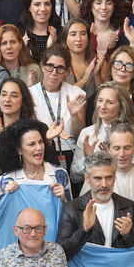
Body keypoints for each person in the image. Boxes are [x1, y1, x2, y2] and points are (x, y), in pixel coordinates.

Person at [57, 151, 134, 260]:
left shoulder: (130, 207)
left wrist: (128, 235)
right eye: (97, 178)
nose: (104, 184)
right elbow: (61, 253)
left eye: (108, 177)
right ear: (87, 178)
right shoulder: (71, 209)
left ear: (115, 177)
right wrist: (83, 230)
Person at [70, 81, 134, 183]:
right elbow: (74, 177)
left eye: (109, 102)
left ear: (121, 106)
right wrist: (87, 158)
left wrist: (111, 160)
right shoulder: (86, 133)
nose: (102, 106)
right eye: (100, 100)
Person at [29, 44, 86, 172]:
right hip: (42, 152)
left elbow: (78, 135)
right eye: (50, 66)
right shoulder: (30, 94)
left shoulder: (76, 93)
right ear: (42, 66)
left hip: (71, 153)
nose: (54, 73)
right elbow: (30, 134)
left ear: (67, 71)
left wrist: (74, 115)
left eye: (60, 68)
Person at [80, 120, 134, 204]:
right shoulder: (93, 181)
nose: (122, 154)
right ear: (108, 149)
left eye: (127, 148)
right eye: (117, 148)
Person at [0, 117, 70, 201]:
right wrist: (7, 198)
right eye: (31, 144)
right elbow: (2, 213)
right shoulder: (6, 180)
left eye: (40, 142)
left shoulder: (60, 174)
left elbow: (71, 212)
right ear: (19, 149)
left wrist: (63, 200)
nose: (39, 147)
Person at [0, 77, 35, 149]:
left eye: (14, 96)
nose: (7, 100)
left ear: (23, 100)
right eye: (4, 95)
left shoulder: (35, 129)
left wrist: (49, 142)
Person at [78, 0, 128, 66]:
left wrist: (112, 48)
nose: (104, 7)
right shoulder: (81, 32)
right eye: (98, 3)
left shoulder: (122, 32)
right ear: (90, 6)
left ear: (114, 7)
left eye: (108, 3)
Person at [60, 18, 104, 100]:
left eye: (83, 34)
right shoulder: (59, 65)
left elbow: (104, 96)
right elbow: (60, 97)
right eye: (73, 34)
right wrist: (84, 80)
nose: (79, 39)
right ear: (65, 39)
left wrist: (97, 75)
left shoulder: (99, 62)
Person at [18, 0, 61, 64]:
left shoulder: (62, 33)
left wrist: (52, 47)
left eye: (47, 4)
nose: (43, 9)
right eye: (37, 4)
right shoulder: (18, 34)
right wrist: (21, 50)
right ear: (29, 8)